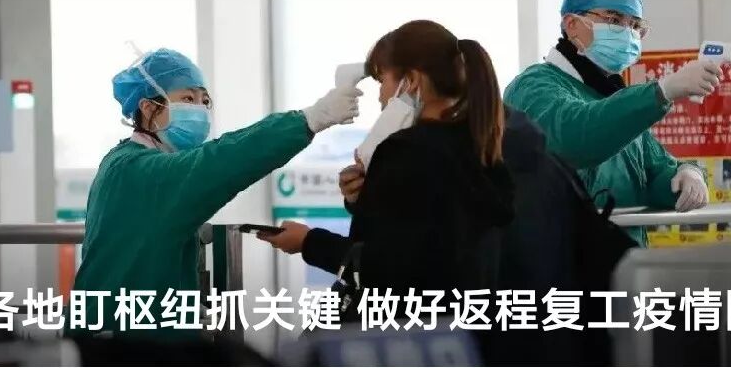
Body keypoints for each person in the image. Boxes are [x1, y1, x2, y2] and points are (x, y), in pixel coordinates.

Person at [69, 48, 361, 341]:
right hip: (122, 342)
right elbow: (222, 160)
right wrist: (312, 118)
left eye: (205, 101)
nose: (200, 109)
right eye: (187, 99)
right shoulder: (137, 170)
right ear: (147, 108)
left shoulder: (135, 161)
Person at [260, 20, 514, 319]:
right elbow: (430, 240)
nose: (380, 97)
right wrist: (365, 198)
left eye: (382, 82)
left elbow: (385, 270)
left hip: (400, 333)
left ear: (411, 81)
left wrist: (308, 241)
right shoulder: (481, 149)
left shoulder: (405, 151)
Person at [503, 0, 717, 246]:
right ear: (572, 24)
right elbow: (573, 137)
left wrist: (684, 176)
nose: (628, 33)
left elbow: (653, 171)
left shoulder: (614, 98)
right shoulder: (533, 87)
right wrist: (662, 91)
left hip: (623, 260)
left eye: (635, 25)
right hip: (562, 261)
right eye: (614, 20)